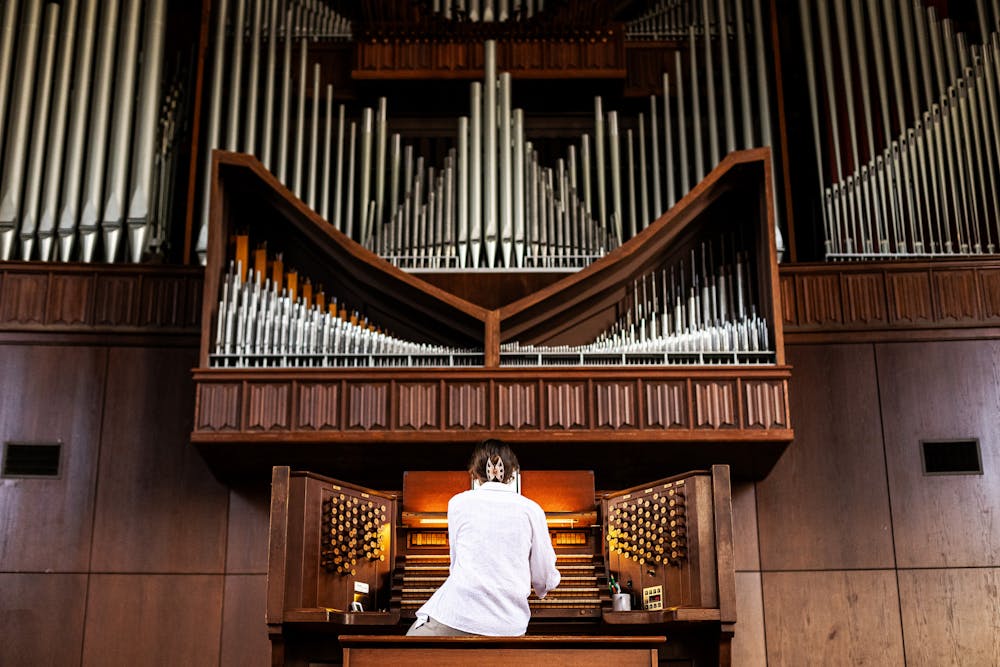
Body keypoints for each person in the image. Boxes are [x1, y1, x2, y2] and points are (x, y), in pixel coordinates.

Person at [406, 439, 561, 637]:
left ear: (476, 474)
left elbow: (456, 565)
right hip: (510, 626)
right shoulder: (532, 509)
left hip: (458, 615)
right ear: (512, 472)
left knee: (405, 648)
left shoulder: (457, 503)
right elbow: (544, 578)